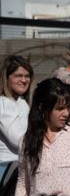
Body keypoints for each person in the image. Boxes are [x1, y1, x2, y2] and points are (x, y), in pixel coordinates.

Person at [0, 55, 33, 183]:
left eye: (27, 76)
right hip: (7, 170)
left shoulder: (21, 102)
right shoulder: (3, 103)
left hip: (19, 168)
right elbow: (19, 139)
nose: (24, 80)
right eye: (18, 76)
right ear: (6, 78)